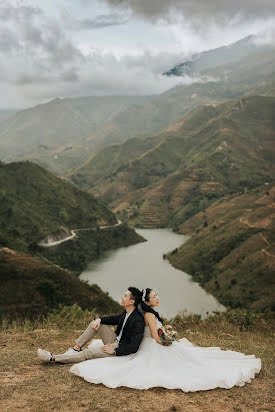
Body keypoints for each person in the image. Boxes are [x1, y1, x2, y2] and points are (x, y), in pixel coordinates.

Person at [69, 288, 261, 392]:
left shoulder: (148, 312)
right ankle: (76, 350)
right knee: (185, 363)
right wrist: (168, 341)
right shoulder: (149, 316)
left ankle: (77, 349)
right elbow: (154, 336)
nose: (157, 298)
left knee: (191, 357)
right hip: (153, 345)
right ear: (146, 301)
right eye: (154, 297)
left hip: (150, 343)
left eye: (157, 296)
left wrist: (167, 335)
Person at [37, 287, 145, 363]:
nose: (122, 297)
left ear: (131, 302)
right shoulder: (127, 312)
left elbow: (134, 346)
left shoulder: (138, 320)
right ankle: (76, 348)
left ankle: (52, 358)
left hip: (120, 347)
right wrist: (98, 319)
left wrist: (115, 350)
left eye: (125, 296)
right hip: (115, 339)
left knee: (89, 353)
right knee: (96, 324)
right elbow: (113, 319)